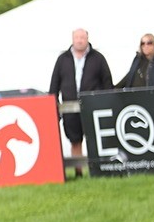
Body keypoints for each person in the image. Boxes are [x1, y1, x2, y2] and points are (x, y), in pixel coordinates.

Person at [48, 28, 113, 164]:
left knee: (95, 138)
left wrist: (106, 103)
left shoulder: (98, 58)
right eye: (77, 37)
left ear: (87, 39)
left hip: (93, 106)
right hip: (69, 107)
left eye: (82, 37)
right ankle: (79, 171)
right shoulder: (63, 59)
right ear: (72, 39)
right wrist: (53, 103)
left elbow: (107, 82)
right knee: (75, 139)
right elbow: (55, 83)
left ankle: (98, 167)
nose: (79, 41)